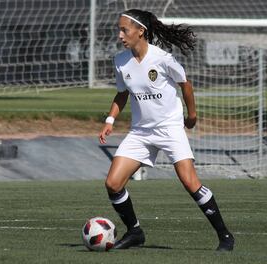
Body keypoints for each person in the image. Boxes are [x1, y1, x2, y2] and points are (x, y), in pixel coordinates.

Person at [98, 9, 234, 251]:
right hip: (141, 132)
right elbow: (122, 93)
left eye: (124, 30)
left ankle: (225, 236)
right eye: (119, 30)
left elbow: (185, 84)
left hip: (170, 128)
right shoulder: (120, 61)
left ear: (141, 31)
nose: (120, 35)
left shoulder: (163, 58)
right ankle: (135, 232)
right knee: (113, 183)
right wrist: (110, 120)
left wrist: (191, 117)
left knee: (190, 182)